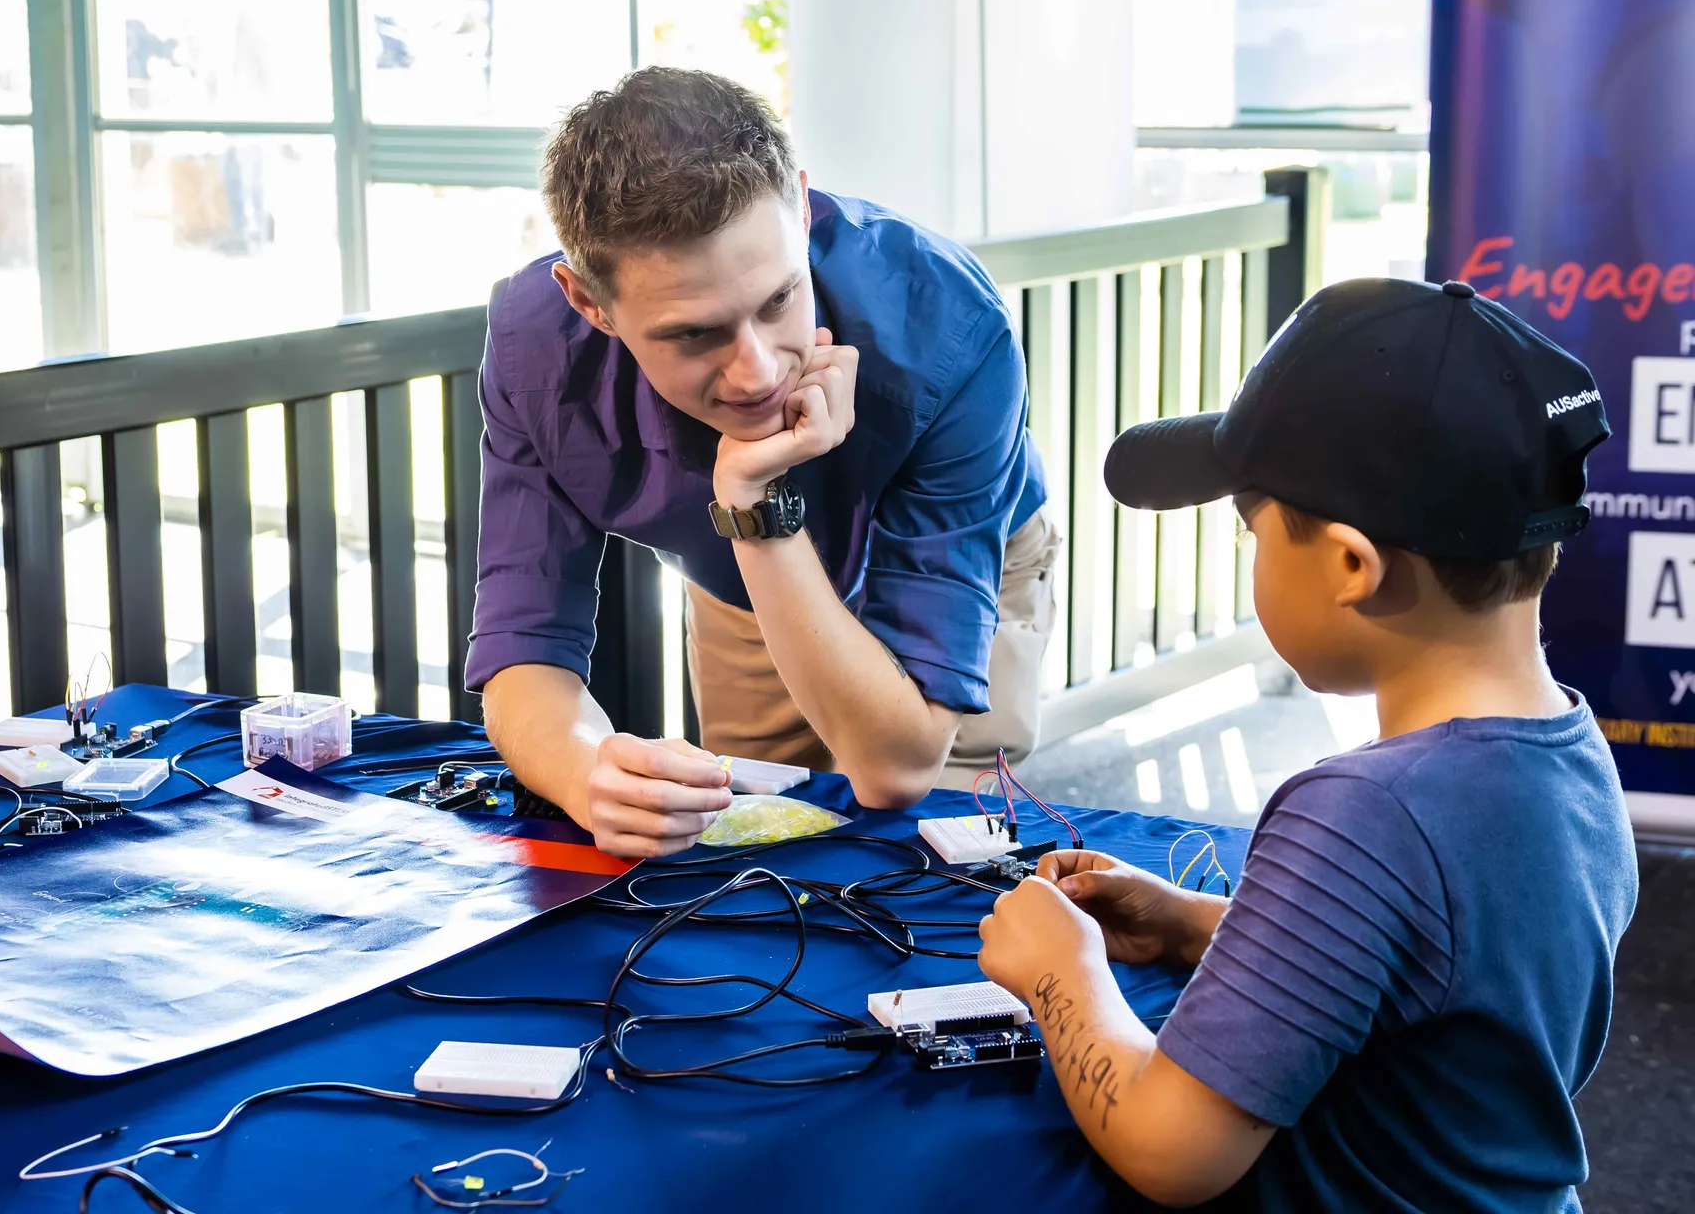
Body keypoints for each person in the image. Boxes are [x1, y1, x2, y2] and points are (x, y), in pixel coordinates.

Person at [976, 277, 1638, 1210]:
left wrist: (1061, 973)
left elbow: (1173, 1151)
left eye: (1252, 527)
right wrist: (1198, 925)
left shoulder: (1364, 812)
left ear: (1349, 565)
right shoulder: (1569, 753)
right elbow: (1453, 980)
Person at [468, 68, 1059, 858]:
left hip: (956, 561)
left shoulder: (948, 321)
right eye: (693, 334)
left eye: (780, 298)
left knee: (939, 870)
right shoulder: (532, 346)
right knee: (756, 854)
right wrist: (585, 774)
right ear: (589, 304)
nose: (757, 374)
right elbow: (525, 639)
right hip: (741, 579)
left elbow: (897, 765)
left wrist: (755, 500)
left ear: (803, 209)